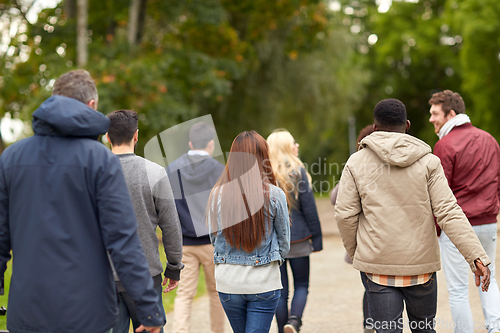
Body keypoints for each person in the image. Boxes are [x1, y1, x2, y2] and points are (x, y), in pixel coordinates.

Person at [0, 70, 164, 333]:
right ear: (91, 105)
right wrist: (149, 308)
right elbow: (122, 240)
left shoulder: (11, 158)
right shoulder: (101, 161)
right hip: (86, 315)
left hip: (26, 312)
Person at [335, 98, 492, 333]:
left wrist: (358, 252)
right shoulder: (429, 163)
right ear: (407, 125)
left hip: (378, 270)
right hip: (422, 270)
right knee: (424, 329)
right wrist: (477, 257)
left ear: (375, 128)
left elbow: (344, 215)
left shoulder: (356, 163)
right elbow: (448, 212)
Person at [106, 109, 184, 333]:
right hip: (146, 276)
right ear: (136, 135)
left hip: (104, 277)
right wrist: (174, 267)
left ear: (108, 137)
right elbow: (170, 225)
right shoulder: (155, 173)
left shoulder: (93, 174)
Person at [429, 90, 500, 333]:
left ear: (451, 113)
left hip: (458, 228)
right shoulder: (490, 139)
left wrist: (438, 230)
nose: (431, 119)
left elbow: (439, 194)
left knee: (458, 290)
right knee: (488, 280)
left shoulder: (444, 146)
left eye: (435, 113)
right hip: (488, 223)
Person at [207, 131, 290, 333]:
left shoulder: (217, 193)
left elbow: (213, 238)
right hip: (263, 283)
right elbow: (284, 242)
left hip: (229, 284)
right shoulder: (275, 194)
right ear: (264, 157)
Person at [166, 122, 226, 333]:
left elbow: (167, 207)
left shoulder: (172, 169)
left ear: (191, 143)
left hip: (184, 243)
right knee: (216, 294)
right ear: (211, 144)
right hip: (213, 243)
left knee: (184, 295)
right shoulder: (220, 170)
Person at [267, 129, 323, 333]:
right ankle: (294, 321)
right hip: (298, 239)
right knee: (301, 285)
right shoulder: (297, 171)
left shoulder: (264, 173)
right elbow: (309, 208)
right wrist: (317, 239)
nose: (297, 145)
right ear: (284, 146)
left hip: (273, 242)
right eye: (293, 142)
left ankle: (283, 329)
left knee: (280, 291)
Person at [330, 124, 374, 333]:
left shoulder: (358, 165)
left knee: (371, 286)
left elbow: (334, 198)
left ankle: (369, 323)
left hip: (365, 241)